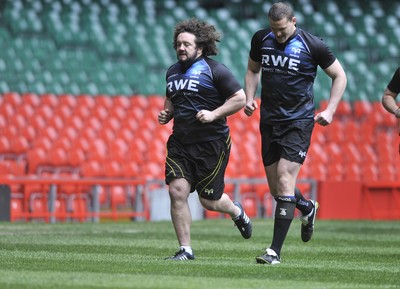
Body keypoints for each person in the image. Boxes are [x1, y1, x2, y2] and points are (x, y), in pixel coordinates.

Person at [244, 2, 347, 265]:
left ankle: (274, 252)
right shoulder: (261, 39)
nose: (278, 35)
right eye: (274, 29)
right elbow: (253, 69)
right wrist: (249, 97)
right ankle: (307, 207)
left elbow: (340, 76)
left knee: (284, 178)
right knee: (278, 190)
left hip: (298, 122)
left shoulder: (313, 45)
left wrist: (331, 110)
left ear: (294, 21)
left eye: (282, 29)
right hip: (269, 121)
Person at [158, 18, 252, 261]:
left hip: (212, 143)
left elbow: (240, 98)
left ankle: (236, 212)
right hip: (180, 142)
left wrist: (214, 114)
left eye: (186, 44)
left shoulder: (216, 70)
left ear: (199, 47)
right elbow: (171, 101)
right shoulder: (172, 72)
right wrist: (166, 113)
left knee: (209, 201)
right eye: (178, 44)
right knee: (177, 191)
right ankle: (185, 250)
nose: (181, 48)